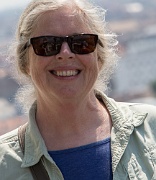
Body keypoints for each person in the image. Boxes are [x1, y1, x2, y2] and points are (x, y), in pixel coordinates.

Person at [0, 0, 156, 179]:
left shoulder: (150, 128)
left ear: (99, 57)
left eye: (81, 43)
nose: (65, 53)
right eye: (47, 44)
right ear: (25, 62)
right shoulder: (4, 164)